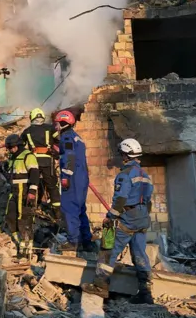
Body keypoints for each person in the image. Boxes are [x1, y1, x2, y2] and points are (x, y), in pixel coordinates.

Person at [92, 138, 156, 304]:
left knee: (108, 248)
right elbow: (148, 201)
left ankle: (100, 286)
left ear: (125, 155)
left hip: (127, 218)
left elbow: (120, 199)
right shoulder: (145, 175)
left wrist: (110, 217)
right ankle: (145, 292)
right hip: (142, 219)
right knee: (140, 254)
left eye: (121, 154)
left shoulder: (125, 175)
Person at [56, 110, 95, 254]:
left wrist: (65, 176)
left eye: (58, 123)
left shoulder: (66, 137)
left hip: (72, 179)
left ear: (62, 122)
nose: (57, 126)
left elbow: (69, 156)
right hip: (82, 178)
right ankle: (86, 242)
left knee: (69, 208)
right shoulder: (77, 138)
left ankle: (73, 242)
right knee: (80, 210)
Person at [1, 133, 40, 260]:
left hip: (25, 190)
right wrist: (1, 168)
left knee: (25, 218)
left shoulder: (28, 156)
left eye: (12, 147)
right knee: (10, 217)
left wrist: (32, 191)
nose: (10, 150)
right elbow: (10, 176)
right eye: (9, 148)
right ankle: (20, 243)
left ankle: (26, 249)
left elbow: (34, 174)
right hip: (14, 190)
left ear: (18, 145)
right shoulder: (13, 158)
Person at [21, 107, 61, 218]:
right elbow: (59, 141)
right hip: (48, 161)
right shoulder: (50, 129)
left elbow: (20, 146)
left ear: (32, 118)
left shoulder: (27, 131)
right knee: (52, 186)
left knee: (33, 185)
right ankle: (57, 213)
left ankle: (30, 210)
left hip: (33, 162)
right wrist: (57, 154)